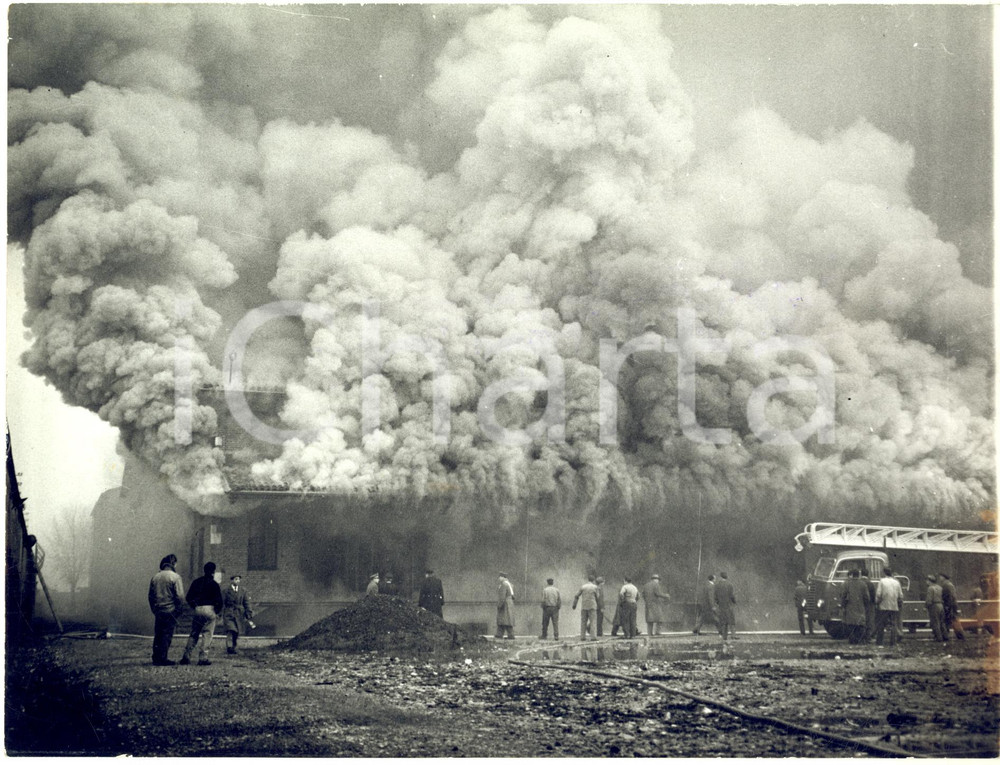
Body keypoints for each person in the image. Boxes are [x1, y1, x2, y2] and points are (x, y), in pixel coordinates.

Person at [181, 562, 223, 666]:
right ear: (213, 571)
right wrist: (216, 611)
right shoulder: (214, 584)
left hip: (198, 609)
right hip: (210, 610)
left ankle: (186, 656)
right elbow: (220, 601)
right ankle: (203, 658)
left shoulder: (196, 582)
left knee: (194, 633)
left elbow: (188, 597)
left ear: (204, 570)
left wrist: (194, 606)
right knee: (207, 634)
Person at [148, 554, 184, 666]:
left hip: (159, 610)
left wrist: (154, 609)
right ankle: (163, 658)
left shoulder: (155, 577)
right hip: (170, 610)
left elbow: (150, 596)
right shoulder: (175, 577)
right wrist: (178, 610)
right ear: (173, 564)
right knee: (167, 635)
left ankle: (156, 657)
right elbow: (180, 596)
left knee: (158, 634)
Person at [222, 574, 255, 655]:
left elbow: (246, 602)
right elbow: (222, 602)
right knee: (231, 629)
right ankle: (229, 647)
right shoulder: (226, 591)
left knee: (236, 631)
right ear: (232, 580)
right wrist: (219, 612)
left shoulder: (243, 591)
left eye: (239, 579)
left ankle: (234, 646)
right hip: (228, 612)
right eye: (236, 579)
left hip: (239, 613)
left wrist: (248, 611)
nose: (237, 581)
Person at [874, 567, 903, 647]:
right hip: (894, 606)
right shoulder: (896, 582)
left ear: (884, 573)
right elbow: (900, 595)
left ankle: (880, 642)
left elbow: (879, 594)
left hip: (884, 606)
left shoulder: (882, 581)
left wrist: (877, 602)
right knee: (893, 624)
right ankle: (893, 642)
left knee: (881, 624)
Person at [841, 569, 870, 644]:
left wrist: (843, 606)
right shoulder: (863, 584)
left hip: (850, 607)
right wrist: (866, 605)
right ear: (859, 575)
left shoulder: (847, 584)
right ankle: (859, 640)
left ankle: (852, 640)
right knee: (860, 624)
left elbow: (843, 596)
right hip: (860, 607)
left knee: (851, 624)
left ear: (852, 575)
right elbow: (867, 597)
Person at [572, 575, 600, 641]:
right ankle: (593, 637)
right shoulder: (595, 587)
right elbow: (597, 597)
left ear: (588, 579)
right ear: (593, 580)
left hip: (584, 606)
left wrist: (574, 605)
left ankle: (582, 637)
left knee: (583, 622)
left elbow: (576, 595)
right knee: (593, 621)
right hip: (592, 606)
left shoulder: (583, 587)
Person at [939, 573, 965, 640]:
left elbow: (950, 596)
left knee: (953, 621)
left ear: (944, 577)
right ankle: (949, 636)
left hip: (949, 606)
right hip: (950, 605)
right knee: (949, 621)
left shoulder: (947, 585)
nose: (939, 578)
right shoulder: (948, 584)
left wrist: (948, 605)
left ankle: (960, 636)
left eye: (940, 577)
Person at [715, 572, 736, 641]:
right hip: (728, 605)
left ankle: (724, 637)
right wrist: (734, 602)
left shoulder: (717, 585)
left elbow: (716, 596)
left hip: (721, 605)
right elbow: (732, 595)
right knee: (731, 620)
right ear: (726, 577)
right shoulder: (729, 585)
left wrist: (718, 602)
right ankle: (733, 635)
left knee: (723, 621)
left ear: (721, 577)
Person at [924, 574, 946, 642]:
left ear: (929, 581)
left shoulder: (930, 588)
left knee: (935, 622)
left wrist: (926, 606)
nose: (926, 582)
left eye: (927, 580)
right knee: (942, 622)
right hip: (941, 605)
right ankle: (945, 636)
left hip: (934, 606)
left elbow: (929, 599)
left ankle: (938, 638)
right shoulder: (940, 587)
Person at [495, 572, 516, 639]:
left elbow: (502, 596)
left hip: (505, 604)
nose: (499, 578)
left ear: (503, 577)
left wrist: (499, 605)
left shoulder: (503, 584)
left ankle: (508, 634)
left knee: (503, 619)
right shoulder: (510, 584)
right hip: (509, 603)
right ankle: (501, 634)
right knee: (507, 619)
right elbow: (512, 596)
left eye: (500, 577)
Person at [860, 568, 877, 643]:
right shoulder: (870, 583)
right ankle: (868, 637)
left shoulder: (859, 582)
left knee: (861, 620)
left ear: (861, 574)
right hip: (869, 604)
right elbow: (873, 595)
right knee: (869, 620)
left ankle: (861, 636)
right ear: (868, 574)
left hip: (860, 604)